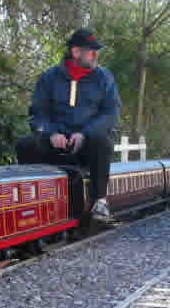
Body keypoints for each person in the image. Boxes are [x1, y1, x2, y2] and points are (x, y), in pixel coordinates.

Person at [16, 28, 121, 222]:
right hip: (56, 144)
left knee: (102, 141)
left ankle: (100, 201)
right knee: (24, 144)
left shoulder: (104, 78)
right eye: (91, 51)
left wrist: (85, 134)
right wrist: (51, 134)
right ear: (76, 52)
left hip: (87, 145)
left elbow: (111, 114)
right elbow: (37, 114)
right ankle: (31, 203)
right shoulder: (49, 78)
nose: (96, 55)